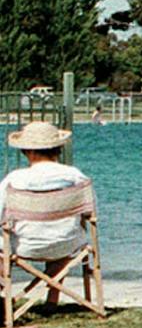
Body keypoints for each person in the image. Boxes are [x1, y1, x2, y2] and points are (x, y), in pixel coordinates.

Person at [1, 123, 91, 300]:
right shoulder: (75, 176)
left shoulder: (15, 179)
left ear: (29, 151)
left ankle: (4, 297)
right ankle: (53, 296)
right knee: (65, 229)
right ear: (58, 150)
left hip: (24, 246)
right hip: (67, 245)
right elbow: (91, 213)